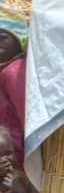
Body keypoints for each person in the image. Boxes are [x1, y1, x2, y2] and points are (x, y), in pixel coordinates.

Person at [0, 28, 26, 173]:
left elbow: (25, 117)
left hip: (19, 158)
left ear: (17, 41)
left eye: (2, 37)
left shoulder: (14, 71)